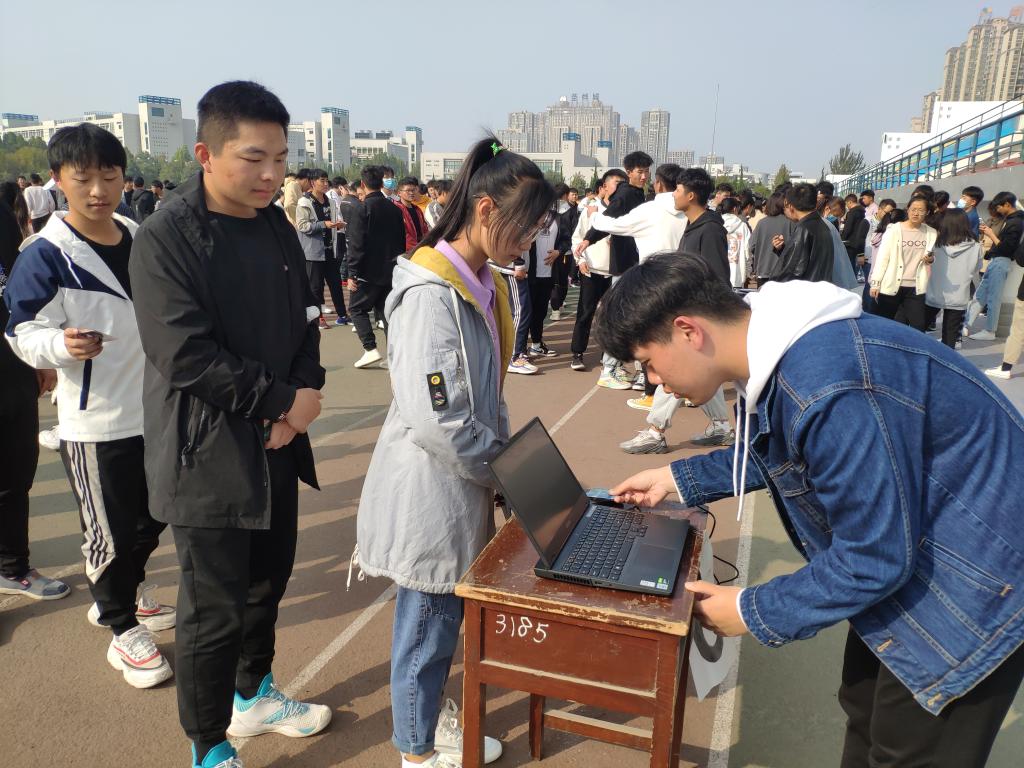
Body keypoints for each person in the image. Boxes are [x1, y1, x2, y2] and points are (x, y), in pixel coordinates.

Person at [604, 255, 1024, 768]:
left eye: (649, 362)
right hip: (933, 556)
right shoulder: (785, 345)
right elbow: (783, 446)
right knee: (866, 712)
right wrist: (676, 478)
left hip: (973, 589)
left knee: (909, 752)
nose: (655, 383)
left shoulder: (828, 383)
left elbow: (874, 558)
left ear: (688, 330)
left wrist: (751, 610)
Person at [129, 81, 331, 768]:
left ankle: (254, 693)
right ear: (206, 154)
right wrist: (282, 403)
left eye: (281, 158)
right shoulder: (167, 237)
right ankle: (209, 744)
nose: (271, 174)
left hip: (277, 438)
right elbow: (185, 354)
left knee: (268, 583)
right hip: (206, 452)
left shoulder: (274, 224)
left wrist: (301, 394)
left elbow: (306, 319)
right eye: (254, 158)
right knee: (212, 610)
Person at [355, 136, 555, 768]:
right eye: (526, 227)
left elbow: (482, 398)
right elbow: (437, 419)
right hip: (432, 483)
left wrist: (510, 464)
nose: (531, 242)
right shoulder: (430, 295)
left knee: (444, 616)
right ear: (486, 209)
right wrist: (511, 471)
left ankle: (427, 721)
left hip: (465, 475)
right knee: (427, 620)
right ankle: (415, 752)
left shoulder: (482, 281)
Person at [3, 124, 173, 683]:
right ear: (58, 180)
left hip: (155, 409)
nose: (98, 190)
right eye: (83, 179)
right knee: (110, 533)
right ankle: (122, 628)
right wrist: (61, 346)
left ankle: (120, 594)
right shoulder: (45, 254)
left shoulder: (136, 234)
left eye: (109, 176)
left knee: (157, 513)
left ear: (123, 177)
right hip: (95, 419)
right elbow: (21, 331)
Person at [619, 166, 733, 455]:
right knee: (702, 370)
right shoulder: (695, 226)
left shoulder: (709, 230)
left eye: (679, 190)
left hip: (699, 316)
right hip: (690, 313)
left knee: (674, 371)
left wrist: (709, 317)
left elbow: (719, 277)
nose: (674, 195)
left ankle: (655, 432)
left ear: (691, 195)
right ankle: (721, 426)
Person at [0, 181, 69, 602]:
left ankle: (12, 567)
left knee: (14, 472)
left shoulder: (3, 217)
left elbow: (17, 299)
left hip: (9, 367)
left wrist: (37, 359)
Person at [581, 150, 653, 389]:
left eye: (647, 171)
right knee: (622, 316)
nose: (644, 176)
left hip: (633, 264)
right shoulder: (625, 194)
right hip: (624, 265)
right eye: (640, 171)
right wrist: (589, 238)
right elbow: (607, 220)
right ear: (629, 172)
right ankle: (610, 369)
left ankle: (619, 367)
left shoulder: (638, 194)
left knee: (633, 316)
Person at [347, 165, 406, 369]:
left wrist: (352, 273)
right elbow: (401, 241)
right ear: (382, 182)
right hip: (391, 269)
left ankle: (370, 348)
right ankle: (393, 354)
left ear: (362, 184)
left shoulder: (362, 208)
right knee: (386, 312)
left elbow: (356, 244)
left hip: (368, 271)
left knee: (356, 308)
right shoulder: (395, 209)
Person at [568, 169, 626, 375]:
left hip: (616, 272)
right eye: (616, 183)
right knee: (585, 313)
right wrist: (580, 260)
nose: (620, 188)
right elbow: (577, 238)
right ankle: (577, 352)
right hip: (592, 270)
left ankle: (608, 356)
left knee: (611, 316)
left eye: (623, 184)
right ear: (604, 187)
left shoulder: (626, 212)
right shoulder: (591, 210)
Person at [869, 197, 936, 332]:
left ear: (927, 212)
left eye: (921, 210)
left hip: (916, 286)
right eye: (913, 209)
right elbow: (883, 257)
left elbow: (931, 254)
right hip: (892, 283)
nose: (916, 213)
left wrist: (930, 259)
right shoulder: (894, 230)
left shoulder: (931, 232)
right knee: (886, 323)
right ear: (908, 210)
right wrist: (875, 283)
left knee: (918, 325)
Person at [965, 191, 1023, 341]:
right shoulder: (1011, 220)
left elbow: (1007, 248)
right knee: (980, 295)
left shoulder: (1016, 222)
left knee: (993, 298)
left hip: (1002, 261)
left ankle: (990, 330)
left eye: (998, 207)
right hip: (996, 260)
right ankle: (965, 325)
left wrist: (991, 234)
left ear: (1007, 204)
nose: (997, 210)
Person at [924, 208, 982, 349]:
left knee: (919, 328)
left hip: (934, 292)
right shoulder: (976, 246)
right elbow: (977, 267)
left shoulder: (936, 244)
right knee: (950, 338)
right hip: (959, 296)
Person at [296, 169, 343, 330]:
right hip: (313, 252)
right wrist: (323, 224)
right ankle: (318, 318)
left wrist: (337, 225)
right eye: (321, 180)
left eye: (326, 180)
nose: (325, 183)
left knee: (335, 283)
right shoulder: (304, 202)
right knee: (315, 287)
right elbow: (302, 226)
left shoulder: (330, 201)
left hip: (330, 249)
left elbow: (332, 221)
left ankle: (343, 314)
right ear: (312, 182)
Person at [769, 183, 835, 282]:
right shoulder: (822, 225)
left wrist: (772, 284)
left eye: (784, 208)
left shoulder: (803, 229)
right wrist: (782, 249)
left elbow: (794, 270)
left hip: (805, 288)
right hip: (819, 286)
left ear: (791, 206)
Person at [750, 191, 794, 286]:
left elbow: (752, 246)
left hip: (763, 271)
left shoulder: (761, 223)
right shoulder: (791, 223)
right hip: (783, 273)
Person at [720, 197, 751, 288]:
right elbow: (748, 250)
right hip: (738, 275)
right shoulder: (743, 226)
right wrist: (748, 272)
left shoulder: (716, 224)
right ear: (734, 209)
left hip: (719, 275)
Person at [396, 176, 429, 252]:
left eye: (413, 190)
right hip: (406, 251)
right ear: (399, 192)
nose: (411, 193)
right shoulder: (396, 209)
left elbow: (425, 230)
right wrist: (417, 248)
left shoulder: (417, 210)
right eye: (408, 190)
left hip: (420, 249)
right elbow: (403, 234)